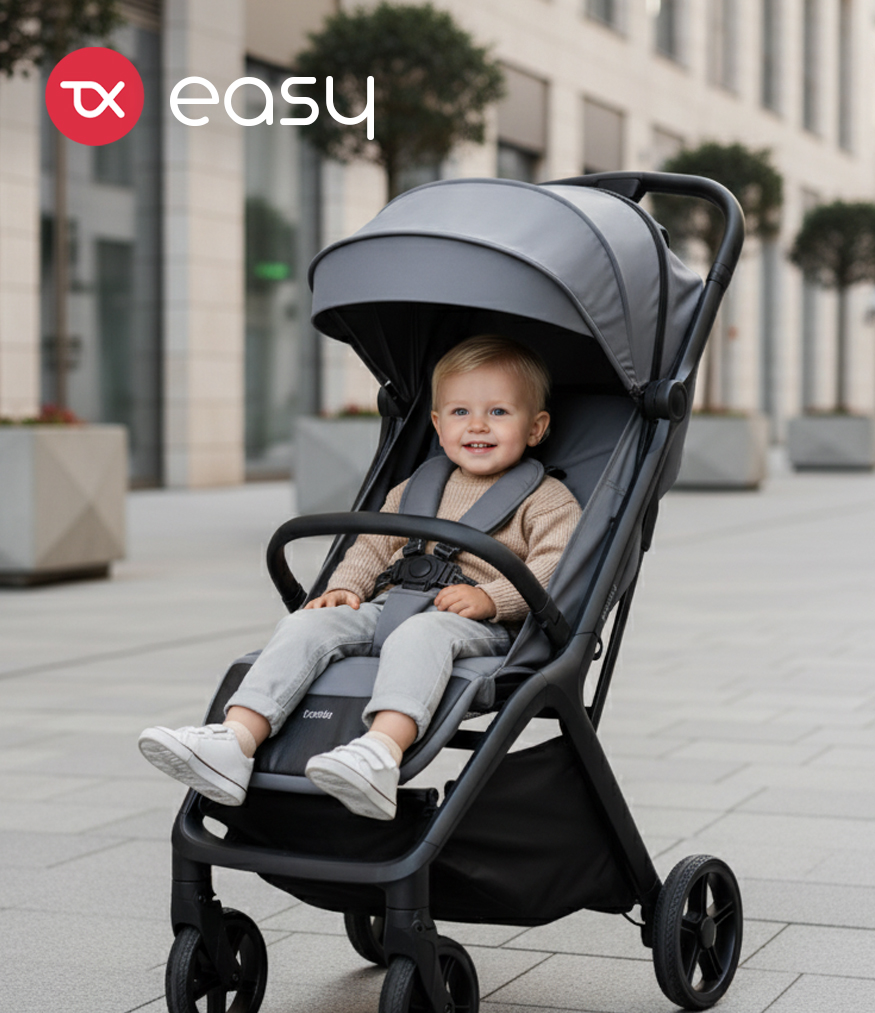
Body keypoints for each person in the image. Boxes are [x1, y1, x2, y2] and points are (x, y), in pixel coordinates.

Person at [139, 336, 581, 820]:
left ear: (535, 428)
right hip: (390, 605)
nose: (477, 425)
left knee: (422, 634)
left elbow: (555, 568)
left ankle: (380, 753)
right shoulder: (416, 488)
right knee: (306, 625)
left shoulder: (547, 500)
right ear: (437, 425)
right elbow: (372, 545)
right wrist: (346, 587)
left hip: (478, 625)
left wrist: (493, 598)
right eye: (460, 412)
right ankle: (235, 739)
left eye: (498, 412)